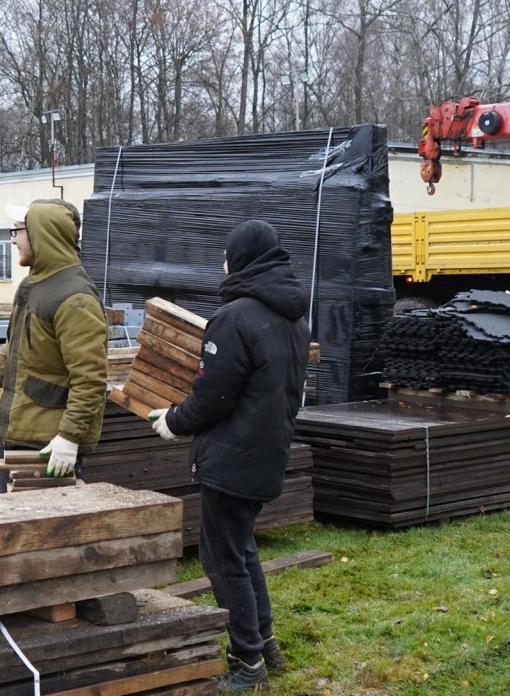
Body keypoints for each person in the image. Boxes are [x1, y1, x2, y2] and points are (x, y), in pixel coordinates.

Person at [147, 220, 311, 692]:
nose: (222, 262)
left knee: (222, 559)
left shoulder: (234, 318)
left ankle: (247, 661)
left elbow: (213, 396)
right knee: (242, 549)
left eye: (226, 253)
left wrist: (174, 421)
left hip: (230, 459)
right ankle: (265, 643)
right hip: (266, 453)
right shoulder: (294, 319)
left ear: (241, 259)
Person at [0, 198, 109, 494]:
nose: (13, 240)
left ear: (42, 234)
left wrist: (69, 437)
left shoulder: (75, 297)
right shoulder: (32, 285)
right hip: (18, 430)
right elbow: (16, 341)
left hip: (48, 445)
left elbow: (90, 379)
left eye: (17, 231)